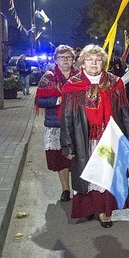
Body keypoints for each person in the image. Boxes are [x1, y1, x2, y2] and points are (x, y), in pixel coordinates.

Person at [60, 44, 129, 228]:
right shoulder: (72, 86)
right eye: (89, 59)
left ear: (103, 63)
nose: (94, 63)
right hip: (83, 140)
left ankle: (104, 212)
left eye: (98, 59)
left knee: (106, 175)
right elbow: (66, 118)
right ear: (82, 63)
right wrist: (68, 146)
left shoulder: (115, 83)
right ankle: (89, 208)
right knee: (87, 175)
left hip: (109, 138)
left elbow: (124, 112)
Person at [35, 45, 76, 202]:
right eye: (62, 57)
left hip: (75, 123)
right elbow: (39, 100)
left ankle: (78, 189)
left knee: (78, 157)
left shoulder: (80, 76)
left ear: (73, 59)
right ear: (56, 59)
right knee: (61, 159)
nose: (65, 60)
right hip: (56, 123)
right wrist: (56, 100)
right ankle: (65, 189)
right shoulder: (48, 77)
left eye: (68, 57)